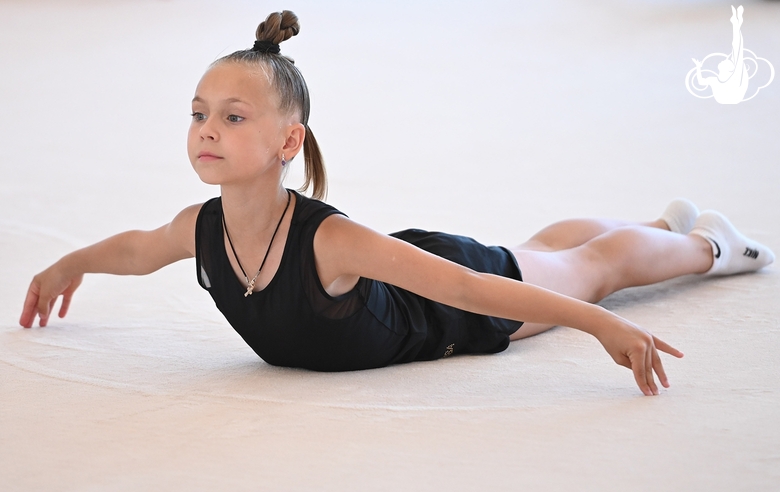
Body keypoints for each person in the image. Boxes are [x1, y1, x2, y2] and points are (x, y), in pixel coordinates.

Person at [19, 11, 774, 396]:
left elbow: (469, 288)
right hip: (418, 274)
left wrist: (600, 325)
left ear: (289, 143)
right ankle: (660, 224)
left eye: (233, 117)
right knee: (545, 252)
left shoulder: (327, 241)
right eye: (198, 113)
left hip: (457, 307)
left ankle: (711, 247)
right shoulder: (202, 228)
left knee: (591, 268)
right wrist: (67, 265)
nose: (208, 129)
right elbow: (136, 247)